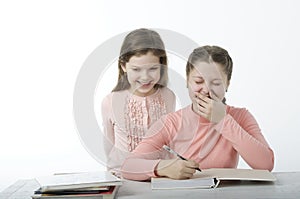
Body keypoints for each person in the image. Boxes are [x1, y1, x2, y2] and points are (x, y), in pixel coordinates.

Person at [121, 45, 274, 181]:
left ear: (227, 84)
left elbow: (266, 164)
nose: (206, 90)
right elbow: (128, 166)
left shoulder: (240, 116)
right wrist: (162, 167)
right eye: (198, 82)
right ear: (187, 81)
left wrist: (223, 120)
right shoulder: (171, 122)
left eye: (216, 83)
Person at [101, 28, 176, 174]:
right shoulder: (110, 102)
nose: (145, 77)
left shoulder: (168, 96)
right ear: (123, 66)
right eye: (136, 69)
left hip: (161, 176)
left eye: (153, 68)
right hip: (124, 177)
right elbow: (109, 148)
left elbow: (170, 141)